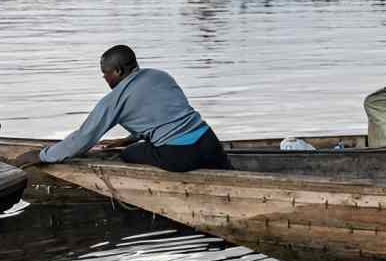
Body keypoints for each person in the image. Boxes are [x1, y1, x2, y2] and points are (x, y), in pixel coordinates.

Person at [12, 45, 230, 171]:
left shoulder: (114, 100)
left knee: (130, 154)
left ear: (117, 71)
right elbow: (166, 116)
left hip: (181, 155)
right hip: (209, 141)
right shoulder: (161, 76)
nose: (104, 77)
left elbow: (83, 138)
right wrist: (130, 137)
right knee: (134, 145)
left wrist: (42, 156)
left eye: (105, 73)